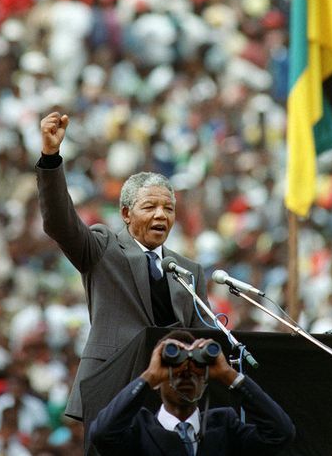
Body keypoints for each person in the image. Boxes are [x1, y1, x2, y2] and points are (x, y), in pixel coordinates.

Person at [36, 111, 210, 428]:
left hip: (172, 400)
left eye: (168, 208)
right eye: (150, 207)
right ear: (127, 214)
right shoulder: (103, 248)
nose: (161, 215)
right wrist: (50, 158)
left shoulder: (189, 271)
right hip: (113, 388)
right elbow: (61, 223)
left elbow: (205, 337)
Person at [89, 329, 296, 455]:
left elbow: (281, 433)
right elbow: (101, 434)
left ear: (205, 379)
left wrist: (228, 375)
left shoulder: (224, 425)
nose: (186, 375)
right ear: (159, 381)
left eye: (195, 371)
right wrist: (149, 376)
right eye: (176, 372)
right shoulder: (139, 430)